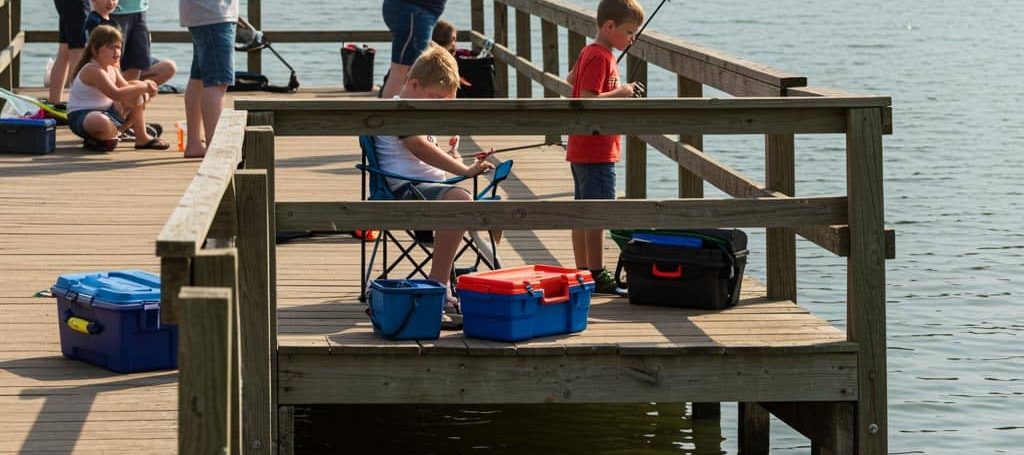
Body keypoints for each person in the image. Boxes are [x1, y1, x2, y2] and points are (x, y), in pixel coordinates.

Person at [374, 43, 494, 325]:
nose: (438, 106)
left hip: (429, 186)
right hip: (407, 190)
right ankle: (438, 286)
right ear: (413, 84)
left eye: (445, 102)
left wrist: (454, 155)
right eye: (435, 97)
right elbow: (420, 149)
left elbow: (429, 153)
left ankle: (450, 283)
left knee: (466, 201)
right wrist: (464, 169)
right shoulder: (400, 109)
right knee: (461, 202)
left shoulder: (418, 111)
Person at [566, 0, 644, 295]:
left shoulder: (592, 52)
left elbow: (571, 79)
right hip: (596, 149)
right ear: (609, 27)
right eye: (629, 32)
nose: (632, 38)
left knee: (582, 210)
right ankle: (596, 273)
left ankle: (583, 270)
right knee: (599, 212)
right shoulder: (600, 57)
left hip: (581, 147)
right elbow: (587, 100)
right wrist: (621, 91)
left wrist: (607, 76)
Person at [66, 25, 169, 151]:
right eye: (111, 48)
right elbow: (116, 94)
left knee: (138, 96)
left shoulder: (112, 67)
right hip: (83, 116)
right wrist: (144, 86)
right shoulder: (92, 69)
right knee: (100, 121)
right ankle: (111, 135)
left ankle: (139, 137)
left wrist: (146, 88)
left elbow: (126, 87)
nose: (116, 52)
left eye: (118, 47)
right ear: (95, 49)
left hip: (108, 112)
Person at [179, 0, 238, 158]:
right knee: (217, 82)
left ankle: (194, 144)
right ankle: (215, 148)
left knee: (199, 78)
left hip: (205, 14)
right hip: (214, 14)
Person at [380, 0, 447, 99]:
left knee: (412, 72)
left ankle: (401, 111)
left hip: (419, 12)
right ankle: (388, 114)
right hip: (414, 11)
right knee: (401, 73)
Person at [111, 0, 177, 86]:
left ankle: (129, 96)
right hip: (115, 10)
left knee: (136, 63)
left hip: (139, 8)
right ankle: (117, 95)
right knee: (113, 60)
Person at [49, 0, 90, 105]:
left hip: (67, 4)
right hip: (76, 4)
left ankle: (54, 100)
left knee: (64, 51)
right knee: (77, 51)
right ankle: (78, 103)